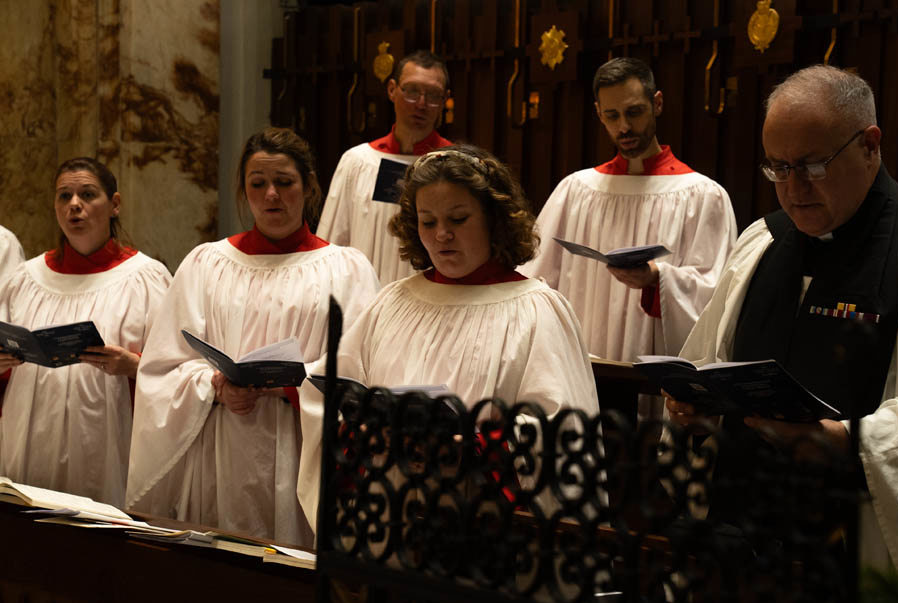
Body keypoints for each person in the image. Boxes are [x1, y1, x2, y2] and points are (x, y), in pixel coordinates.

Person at [671, 65, 898, 571]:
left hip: (857, 553)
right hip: (743, 538)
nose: (794, 187)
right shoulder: (762, 243)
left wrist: (848, 441)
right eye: (778, 167)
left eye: (813, 165)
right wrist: (701, 407)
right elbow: (714, 364)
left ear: (870, 145)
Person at [297, 145, 600, 532]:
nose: (441, 235)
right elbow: (328, 394)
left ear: (495, 219)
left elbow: (564, 435)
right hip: (391, 521)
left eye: (458, 218)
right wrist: (362, 432)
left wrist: (469, 448)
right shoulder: (392, 302)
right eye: (427, 221)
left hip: (483, 530)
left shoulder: (538, 310)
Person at [127, 128, 380, 545]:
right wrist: (214, 386)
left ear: (309, 186)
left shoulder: (347, 270)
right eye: (258, 184)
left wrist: (292, 389)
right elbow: (162, 366)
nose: (271, 196)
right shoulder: (207, 264)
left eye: (285, 183)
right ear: (243, 191)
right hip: (220, 449)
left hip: (300, 448)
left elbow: (363, 367)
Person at [521, 57, 737, 376]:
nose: (623, 127)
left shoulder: (703, 195)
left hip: (655, 372)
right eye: (612, 116)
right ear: (598, 113)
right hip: (582, 365)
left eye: (634, 112)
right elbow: (533, 281)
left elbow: (717, 298)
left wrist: (657, 279)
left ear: (657, 103)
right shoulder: (575, 190)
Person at [0, 157, 171, 507]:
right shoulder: (25, 279)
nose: (74, 206)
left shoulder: (146, 279)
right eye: (64, 196)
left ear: (115, 205)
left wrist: (135, 366)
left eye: (87, 194)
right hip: (29, 439)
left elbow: (177, 369)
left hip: (107, 440)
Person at [316, 50, 452, 284]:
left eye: (433, 95)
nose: (421, 104)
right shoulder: (357, 162)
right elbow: (332, 246)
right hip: (363, 302)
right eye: (411, 91)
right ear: (392, 90)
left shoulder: (456, 166)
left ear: (444, 101)